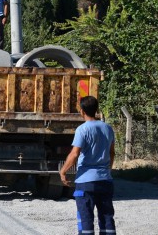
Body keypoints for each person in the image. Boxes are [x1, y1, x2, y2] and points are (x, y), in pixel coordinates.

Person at [59, 96, 116, 234]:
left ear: (82, 111)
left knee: (85, 220)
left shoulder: (82, 130)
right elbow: (112, 153)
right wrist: (108, 169)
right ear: (97, 110)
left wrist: (63, 171)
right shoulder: (108, 128)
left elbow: (74, 154)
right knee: (107, 218)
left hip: (86, 181)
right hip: (105, 180)